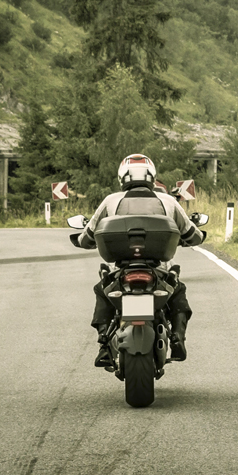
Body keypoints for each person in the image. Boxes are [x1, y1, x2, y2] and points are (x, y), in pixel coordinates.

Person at [75, 154, 205, 367]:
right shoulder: (168, 201)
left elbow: (88, 235)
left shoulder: (111, 201)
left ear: (122, 177)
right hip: (158, 268)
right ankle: (178, 337)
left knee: (102, 290)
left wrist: (83, 240)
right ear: (152, 176)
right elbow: (194, 235)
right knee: (177, 292)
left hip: (122, 269)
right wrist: (190, 237)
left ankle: (103, 343)